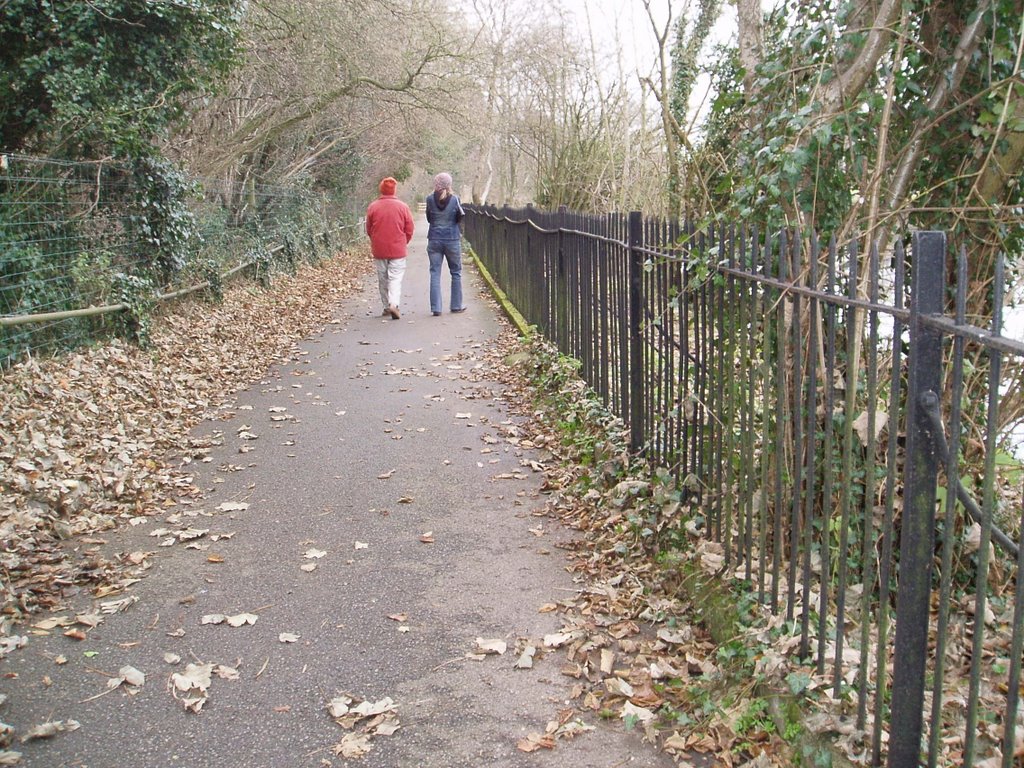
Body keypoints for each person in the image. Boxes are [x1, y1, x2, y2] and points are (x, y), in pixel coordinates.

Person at [365, 176, 414, 320]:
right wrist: (404, 242)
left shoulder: (373, 206)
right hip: (397, 248)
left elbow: (368, 228)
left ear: (381, 189)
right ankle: (394, 303)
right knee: (395, 278)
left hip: (379, 248)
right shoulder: (403, 207)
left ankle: (386, 306)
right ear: (394, 190)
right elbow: (409, 228)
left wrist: (375, 240)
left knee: (382, 277)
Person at [425, 172, 466, 316]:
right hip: (452, 240)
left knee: (435, 273)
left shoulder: (430, 199)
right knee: (456, 272)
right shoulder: (455, 199)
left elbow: (429, 218)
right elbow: (458, 218)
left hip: (434, 239)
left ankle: (436, 308)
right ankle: (456, 305)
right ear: (449, 184)